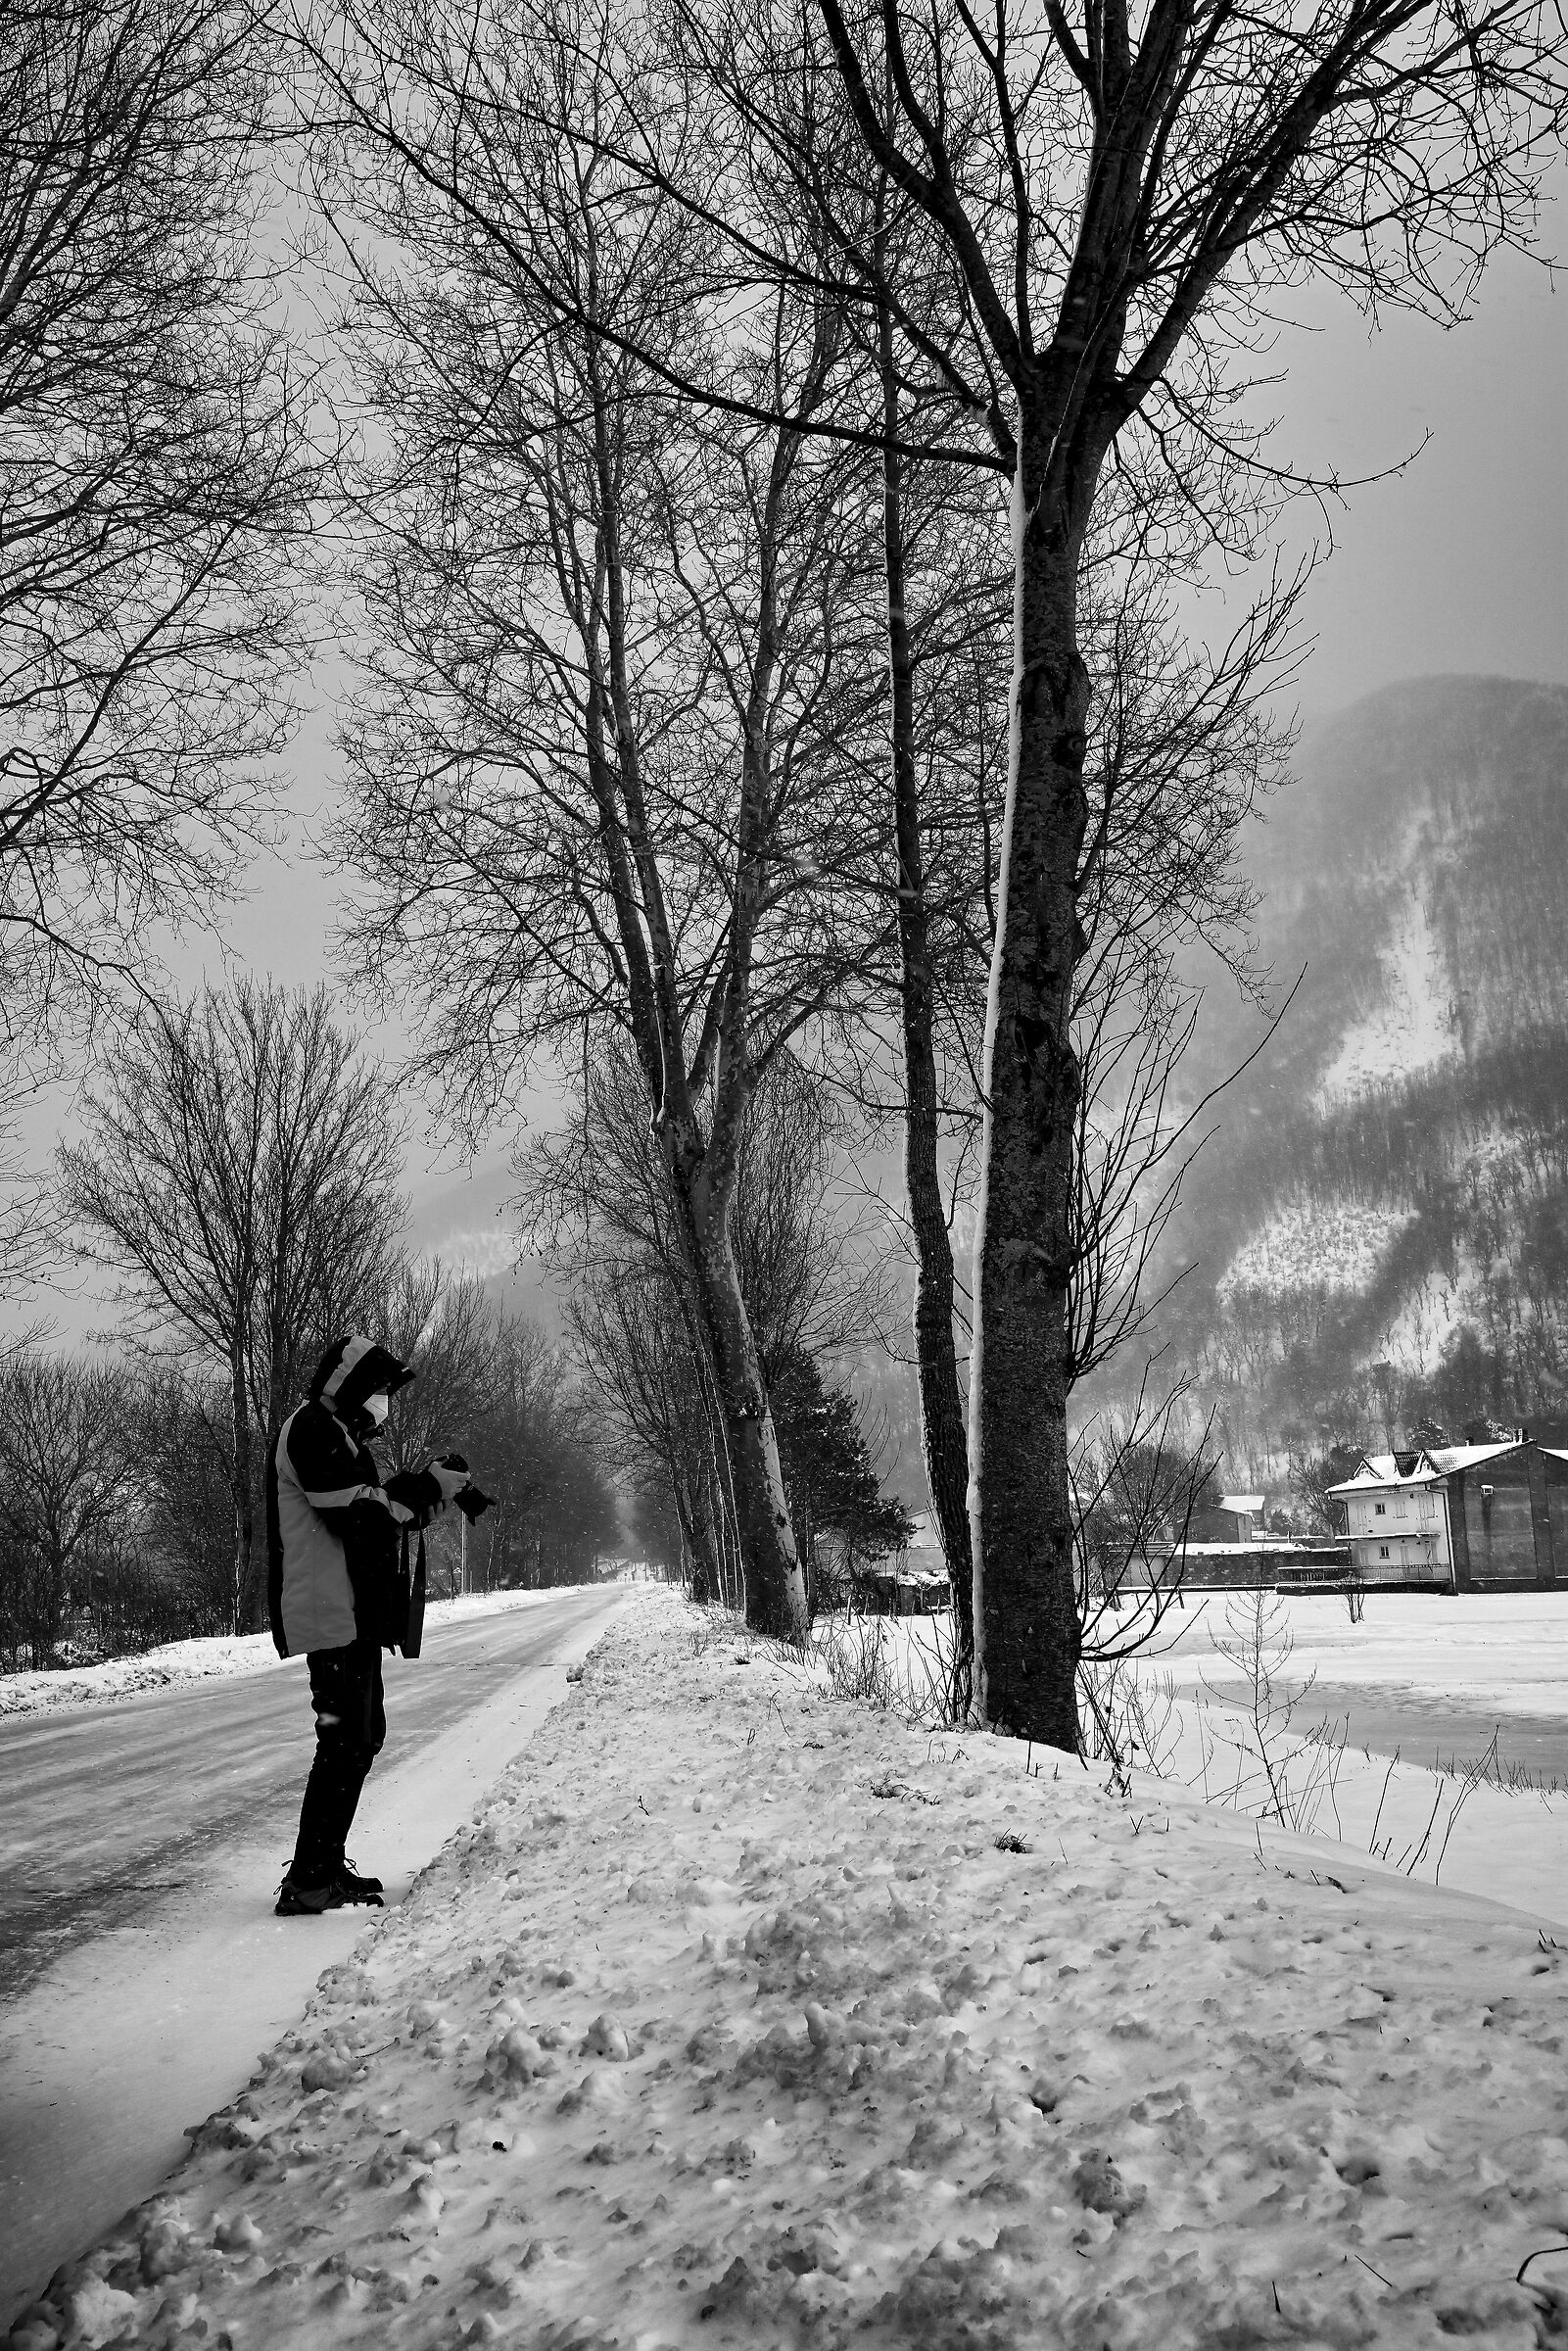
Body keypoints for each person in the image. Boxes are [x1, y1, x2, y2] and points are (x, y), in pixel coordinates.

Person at [266, 1332, 472, 1916]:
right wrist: (422, 1487)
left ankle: (322, 1867)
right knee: (345, 1741)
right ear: (349, 1386)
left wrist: (428, 1495)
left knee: (359, 1739)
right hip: (327, 1612)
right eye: (377, 1389)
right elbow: (359, 1514)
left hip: (349, 1613)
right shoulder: (311, 1430)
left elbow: (378, 1511)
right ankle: (310, 1881)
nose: (382, 1402)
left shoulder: (339, 1436)